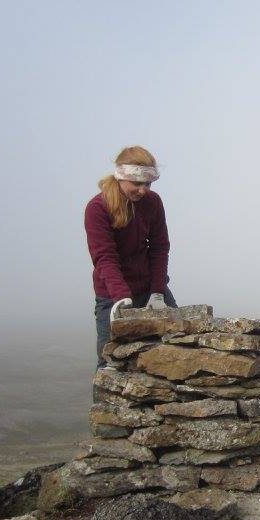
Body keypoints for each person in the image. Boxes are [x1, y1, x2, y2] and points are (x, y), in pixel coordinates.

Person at [85, 146, 177, 367]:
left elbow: (159, 247)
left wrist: (157, 292)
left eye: (148, 183)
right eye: (137, 183)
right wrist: (121, 296)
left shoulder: (152, 202)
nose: (143, 190)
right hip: (112, 295)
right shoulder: (98, 208)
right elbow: (104, 257)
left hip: (150, 288)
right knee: (111, 361)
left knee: (176, 348)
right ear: (121, 177)